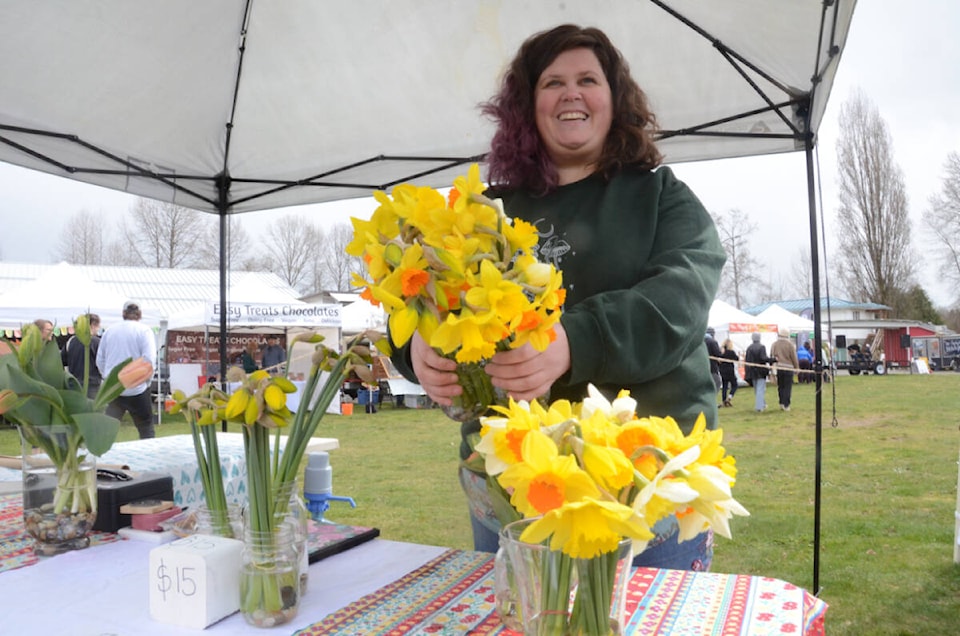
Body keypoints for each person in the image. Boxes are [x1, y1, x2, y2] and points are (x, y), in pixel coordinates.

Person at [393, 24, 725, 571]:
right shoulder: (483, 209)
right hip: (514, 489)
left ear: (615, 102)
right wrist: (418, 349)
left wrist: (573, 341)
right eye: (553, 82)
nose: (571, 93)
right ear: (528, 107)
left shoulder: (663, 197)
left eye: (588, 79)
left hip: (639, 482)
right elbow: (423, 298)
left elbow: (679, 304)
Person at [96, 301, 157, 439]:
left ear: (123, 314)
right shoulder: (144, 331)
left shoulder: (110, 331)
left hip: (113, 387)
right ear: (140, 314)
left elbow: (100, 359)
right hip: (137, 387)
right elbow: (149, 360)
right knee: (146, 429)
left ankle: (104, 458)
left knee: (106, 432)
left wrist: (107, 378)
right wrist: (147, 382)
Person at [63, 313, 101, 399]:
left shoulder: (70, 341)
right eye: (98, 326)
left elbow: (63, 361)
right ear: (92, 325)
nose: (98, 329)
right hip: (92, 385)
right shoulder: (97, 342)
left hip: (73, 383)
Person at [770, 328, 799, 411]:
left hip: (778, 367)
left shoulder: (774, 344)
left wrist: (772, 368)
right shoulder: (790, 345)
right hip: (788, 368)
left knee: (780, 386)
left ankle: (781, 403)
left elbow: (772, 355)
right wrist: (796, 367)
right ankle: (787, 404)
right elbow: (794, 357)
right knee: (787, 387)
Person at [744, 332, 773, 412]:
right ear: (759, 338)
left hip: (752, 371)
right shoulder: (762, 347)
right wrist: (773, 360)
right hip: (760, 371)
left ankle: (762, 404)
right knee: (760, 389)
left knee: (757, 389)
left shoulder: (749, 348)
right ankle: (759, 407)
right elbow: (763, 358)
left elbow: (747, 360)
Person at [718, 338, 740, 407]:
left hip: (722, 371)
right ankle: (729, 397)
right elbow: (736, 358)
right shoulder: (731, 352)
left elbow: (718, 360)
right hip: (730, 371)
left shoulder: (721, 352)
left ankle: (724, 400)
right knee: (735, 385)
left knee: (725, 386)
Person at [705, 327, 722, 402]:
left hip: (702, 367)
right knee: (717, 383)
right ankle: (711, 401)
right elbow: (718, 354)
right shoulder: (712, 342)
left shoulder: (700, 341)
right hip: (712, 367)